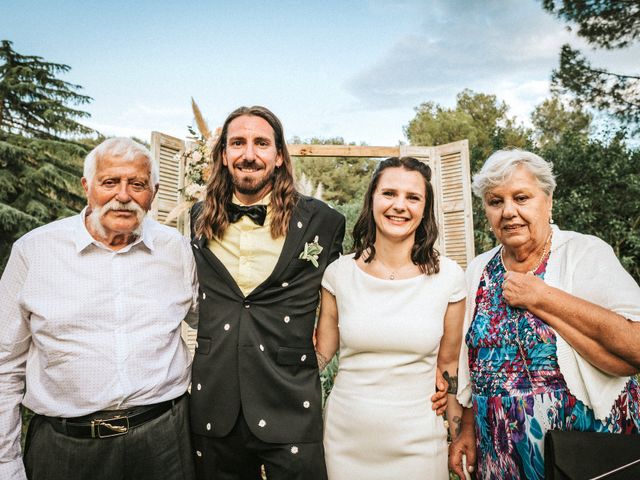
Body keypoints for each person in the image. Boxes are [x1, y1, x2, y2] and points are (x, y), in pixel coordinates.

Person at [0, 137, 198, 480]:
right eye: (110, 182)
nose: (123, 196)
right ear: (86, 186)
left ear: (153, 191)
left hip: (163, 443)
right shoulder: (34, 252)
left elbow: (218, 327)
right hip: (65, 449)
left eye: (137, 184)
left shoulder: (178, 251)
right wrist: (5, 461)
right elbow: (4, 364)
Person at [449, 149, 640, 480]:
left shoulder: (584, 253)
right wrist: (467, 429)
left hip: (583, 447)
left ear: (548, 201)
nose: (509, 211)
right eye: (496, 202)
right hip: (501, 452)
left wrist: (542, 297)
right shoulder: (479, 268)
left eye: (521, 197)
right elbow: (472, 363)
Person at [188, 105, 346, 480]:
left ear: (278, 157)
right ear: (224, 156)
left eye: (261, 143)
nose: (249, 154)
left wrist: (317, 360)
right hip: (214, 400)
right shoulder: (198, 218)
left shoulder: (324, 222)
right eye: (238, 143)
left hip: (289, 397)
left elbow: (341, 298)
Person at [315, 157, 467, 479]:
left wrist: (459, 433)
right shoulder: (339, 273)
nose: (400, 205)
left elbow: (449, 365)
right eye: (389, 193)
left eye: (413, 197)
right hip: (346, 439)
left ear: (425, 209)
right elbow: (320, 355)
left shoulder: (449, 277)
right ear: (372, 199)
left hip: (419, 441)